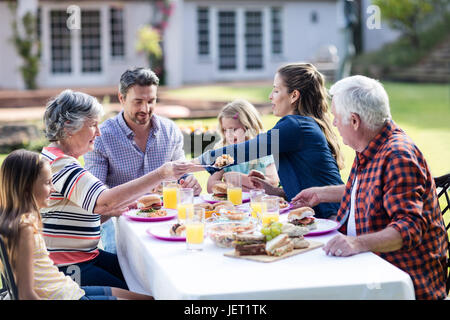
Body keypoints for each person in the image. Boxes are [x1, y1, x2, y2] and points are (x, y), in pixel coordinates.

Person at [291, 75, 448, 300]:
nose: (334, 123)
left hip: (399, 281)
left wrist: (356, 243)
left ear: (354, 121)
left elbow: (409, 228)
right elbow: (369, 189)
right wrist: (321, 193)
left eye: (336, 117)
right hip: (366, 267)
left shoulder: (397, 156)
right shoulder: (370, 144)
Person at [40, 89, 187, 289]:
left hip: (83, 256)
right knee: (145, 288)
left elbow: (82, 213)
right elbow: (105, 200)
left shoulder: (56, 158)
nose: (98, 132)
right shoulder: (60, 164)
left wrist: (113, 210)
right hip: (67, 267)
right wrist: (161, 174)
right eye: (93, 125)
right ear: (69, 127)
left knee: (147, 275)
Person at [194, 63, 345, 219]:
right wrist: (274, 191)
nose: (270, 96)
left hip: (332, 217)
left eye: (276, 90)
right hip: (321, 215)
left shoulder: (294, 126)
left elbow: (243, 151)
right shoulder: (302, 124)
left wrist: (187, 166)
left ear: (294, 95)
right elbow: (308, 182)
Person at [0, 149, 152, 299]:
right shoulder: (23, 229)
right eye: (47, 183)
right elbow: (25, 294)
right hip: (62, 295)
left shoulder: (20, 221)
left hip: (66, 288)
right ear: (27, 188)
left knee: (143, 296)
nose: (53, 189)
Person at [84, 67, 202, 254]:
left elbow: (182, 175)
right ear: (121, 99)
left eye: (151, 101)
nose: (145, 109)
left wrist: (188, 183)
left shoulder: (170, 130)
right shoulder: (102, 137)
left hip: (165, 219)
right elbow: (95, 203)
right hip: (120, 223)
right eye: (138, 102)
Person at [206, 99, 279, 193]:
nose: (229, 135)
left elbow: (273, 182)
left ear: (249, 126)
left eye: (234, 129)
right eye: (225, 130)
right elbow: (210, 186)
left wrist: (239, 179)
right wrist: (235, 187)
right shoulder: (224, 149)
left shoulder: (263, 147)